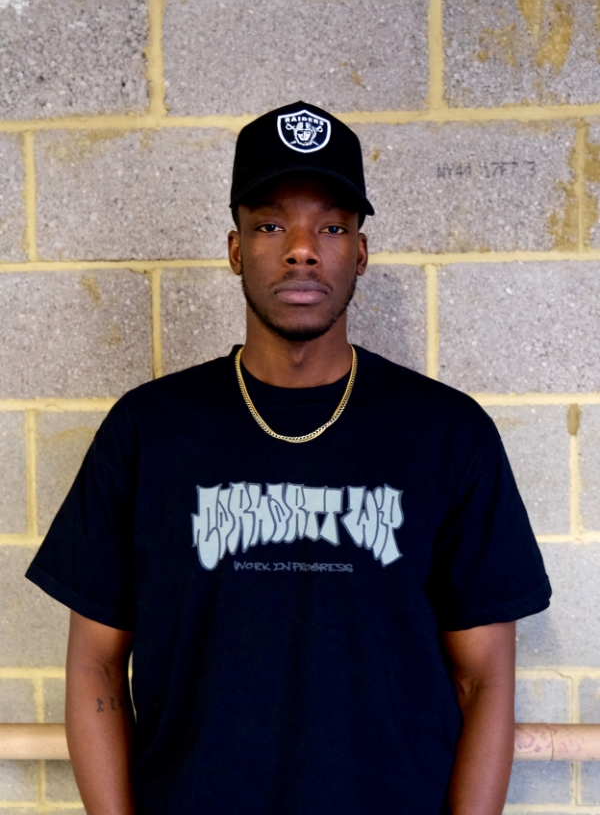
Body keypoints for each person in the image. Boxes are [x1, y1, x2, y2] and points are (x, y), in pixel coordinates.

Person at [26, 101, 551, 815]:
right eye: (271, 224)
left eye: (331, 226)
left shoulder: (447, 434)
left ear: (359, 253)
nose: (301, 248)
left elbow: (486, 680)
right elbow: (94, 664)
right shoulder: (148, 431)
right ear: (236, 249)